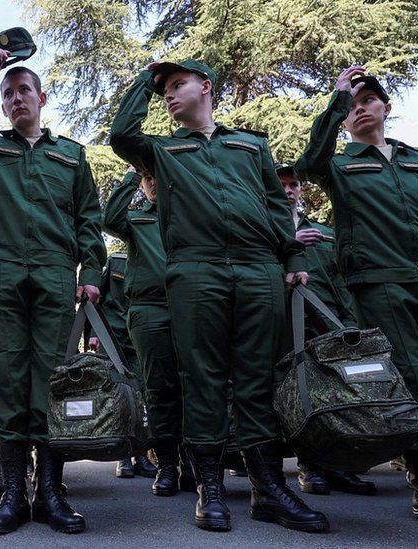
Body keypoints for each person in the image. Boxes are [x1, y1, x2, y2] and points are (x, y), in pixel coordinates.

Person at [111, 59, 327, 533]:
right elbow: (123, 137)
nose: (169, 94)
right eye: (163, 88)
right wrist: (144, 86)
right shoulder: (164, 151)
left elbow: (275, 204)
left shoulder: (250, 144)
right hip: (195, 268)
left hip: (257, 267)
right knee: (203, 379)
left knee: (256, 379)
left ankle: (268, 488)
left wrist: (292, 260)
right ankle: (209, 489)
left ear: (205, 87)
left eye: (176, 84)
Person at [297, 67, 418, 532]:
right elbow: (307, 164)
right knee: (410, 374)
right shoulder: (338, 166)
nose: (361, 107)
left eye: (369, 100)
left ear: (386, 107)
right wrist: (337, 97)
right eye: (353, 103)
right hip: (381, 280)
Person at [0, 37, 106, 534]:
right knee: (9, 380)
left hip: (55, 275)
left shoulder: (71, 157)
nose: (14, 100)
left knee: (53, 381)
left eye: (22, 91)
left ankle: (51, 493)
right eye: (7, 94)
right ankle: (14, 492)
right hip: (3, 275)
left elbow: (88, 221)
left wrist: (91, 275)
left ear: (41, 98)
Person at [276, 163, 377, 497]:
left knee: (335, 392)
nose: (289, 190)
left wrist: (350, 326)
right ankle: (309, 465)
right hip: (285, 324)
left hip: (327, 324)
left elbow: (340, 283)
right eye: (283, 185)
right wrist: (288, 243)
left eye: (294, 185)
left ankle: (338, 465)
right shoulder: (264, 230)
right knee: (300, 392)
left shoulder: (322, 232)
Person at [102, 169, 191, 496]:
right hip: (150, 310)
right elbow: (109, 217)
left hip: (191, 307)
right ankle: (167, 465)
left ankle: (193, 462)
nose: (153, 181)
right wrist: (130, 176)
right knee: (158, 390)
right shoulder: (137, 221)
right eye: (146, 178)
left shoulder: (190, 215)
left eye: (157, 174)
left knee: (195, 386)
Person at [88, 252, 158, 481]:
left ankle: (142, 455)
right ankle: (123, 457)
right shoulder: (115, 260)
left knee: (142, 394)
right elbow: (94, 298)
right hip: (111, 336)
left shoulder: (154, 257)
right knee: (118, 394)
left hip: (139, 335)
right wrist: (92, 333)